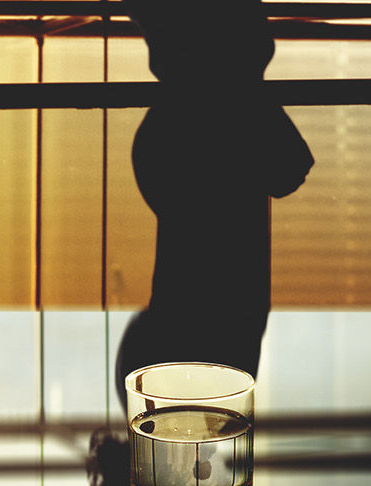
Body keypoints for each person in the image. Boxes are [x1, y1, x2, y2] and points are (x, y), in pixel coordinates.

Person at [113, 0, 313, 398]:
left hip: (215, 314)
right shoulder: (219, 105)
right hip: (220, 311)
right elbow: (289, 167)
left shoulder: (184, 120)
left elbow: (288, 167)